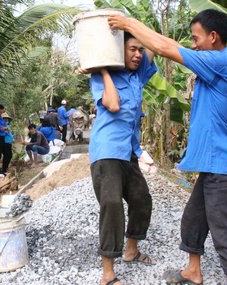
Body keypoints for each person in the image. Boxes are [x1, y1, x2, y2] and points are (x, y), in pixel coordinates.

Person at [108, 9, 227, 285]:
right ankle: (193, 272)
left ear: (213, 37)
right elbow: (168, 45)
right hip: (213, 164)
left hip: (222, 165)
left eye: (196, 38)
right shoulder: (214, 61)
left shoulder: (220, 62)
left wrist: (128, 23)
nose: (193, 44)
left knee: (225, 235)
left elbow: (165, 47)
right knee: (193, 221)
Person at [78, 31, 157, 285]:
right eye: (131, 49)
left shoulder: (137, 76)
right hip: (106, 152)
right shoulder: (99, 77)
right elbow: (112, 105)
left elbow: (153, 45)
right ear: (117, 51)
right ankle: (108, 274)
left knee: (141, 199)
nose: (137, 54)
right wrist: (103, 69)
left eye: (139, 50)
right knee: (111, 204)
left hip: (128, 152)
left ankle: (131, 250)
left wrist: (132, 29)